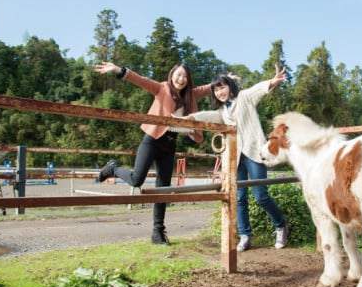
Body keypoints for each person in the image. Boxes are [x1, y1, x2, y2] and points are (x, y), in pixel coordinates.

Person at [93, 61, 212, 245]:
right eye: (178, 75)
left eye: (185, 77)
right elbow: (141, 80)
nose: (181, 79)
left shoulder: (190, 96)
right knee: (136, 180)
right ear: (172, 75)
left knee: (163, 188)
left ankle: (158, 232)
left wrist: (225, 81)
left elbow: (207, 88)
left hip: (170, 144)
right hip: (152, 139)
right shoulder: (162, 88)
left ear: (188, 81)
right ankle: (113, 168)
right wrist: (119, 70)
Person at [173, 64, 289, 251]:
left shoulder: (244, 98)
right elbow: (209, 116)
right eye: (216, 90)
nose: (220, 92)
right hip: (235, 158)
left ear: (230, 86)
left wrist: (273, 81)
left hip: (253, 153)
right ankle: (245, 235)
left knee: (261, 196)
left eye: (222, 87)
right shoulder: (221, 112)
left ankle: (281, 226)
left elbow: (259, 89)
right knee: (239, 197)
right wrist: (191, 118)